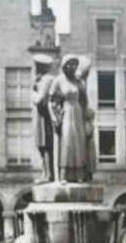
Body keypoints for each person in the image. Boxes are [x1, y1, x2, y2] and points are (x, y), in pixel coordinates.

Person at [49, 55, 89, 183]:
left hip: (77, 112)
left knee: (79, 142)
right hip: (66, 112)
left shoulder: (78, 81)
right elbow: (51, 101)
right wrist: (54, 117)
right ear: (64, 65)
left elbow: (84, 100)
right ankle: (64, 174)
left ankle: (79, 174)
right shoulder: (58, 80)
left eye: (74, 64)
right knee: (67, 141)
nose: (72, 67)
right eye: (70, 64)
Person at [31, 53, 56, 182]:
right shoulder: (42, 79)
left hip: (45, 116)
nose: (35, 68)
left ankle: (49, 175)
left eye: (36, 66)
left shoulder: (47, 79)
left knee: (46, 145)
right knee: (42, 145)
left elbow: (39, 99)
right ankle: (45, 173)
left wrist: (33, 91)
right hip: (41, 115)